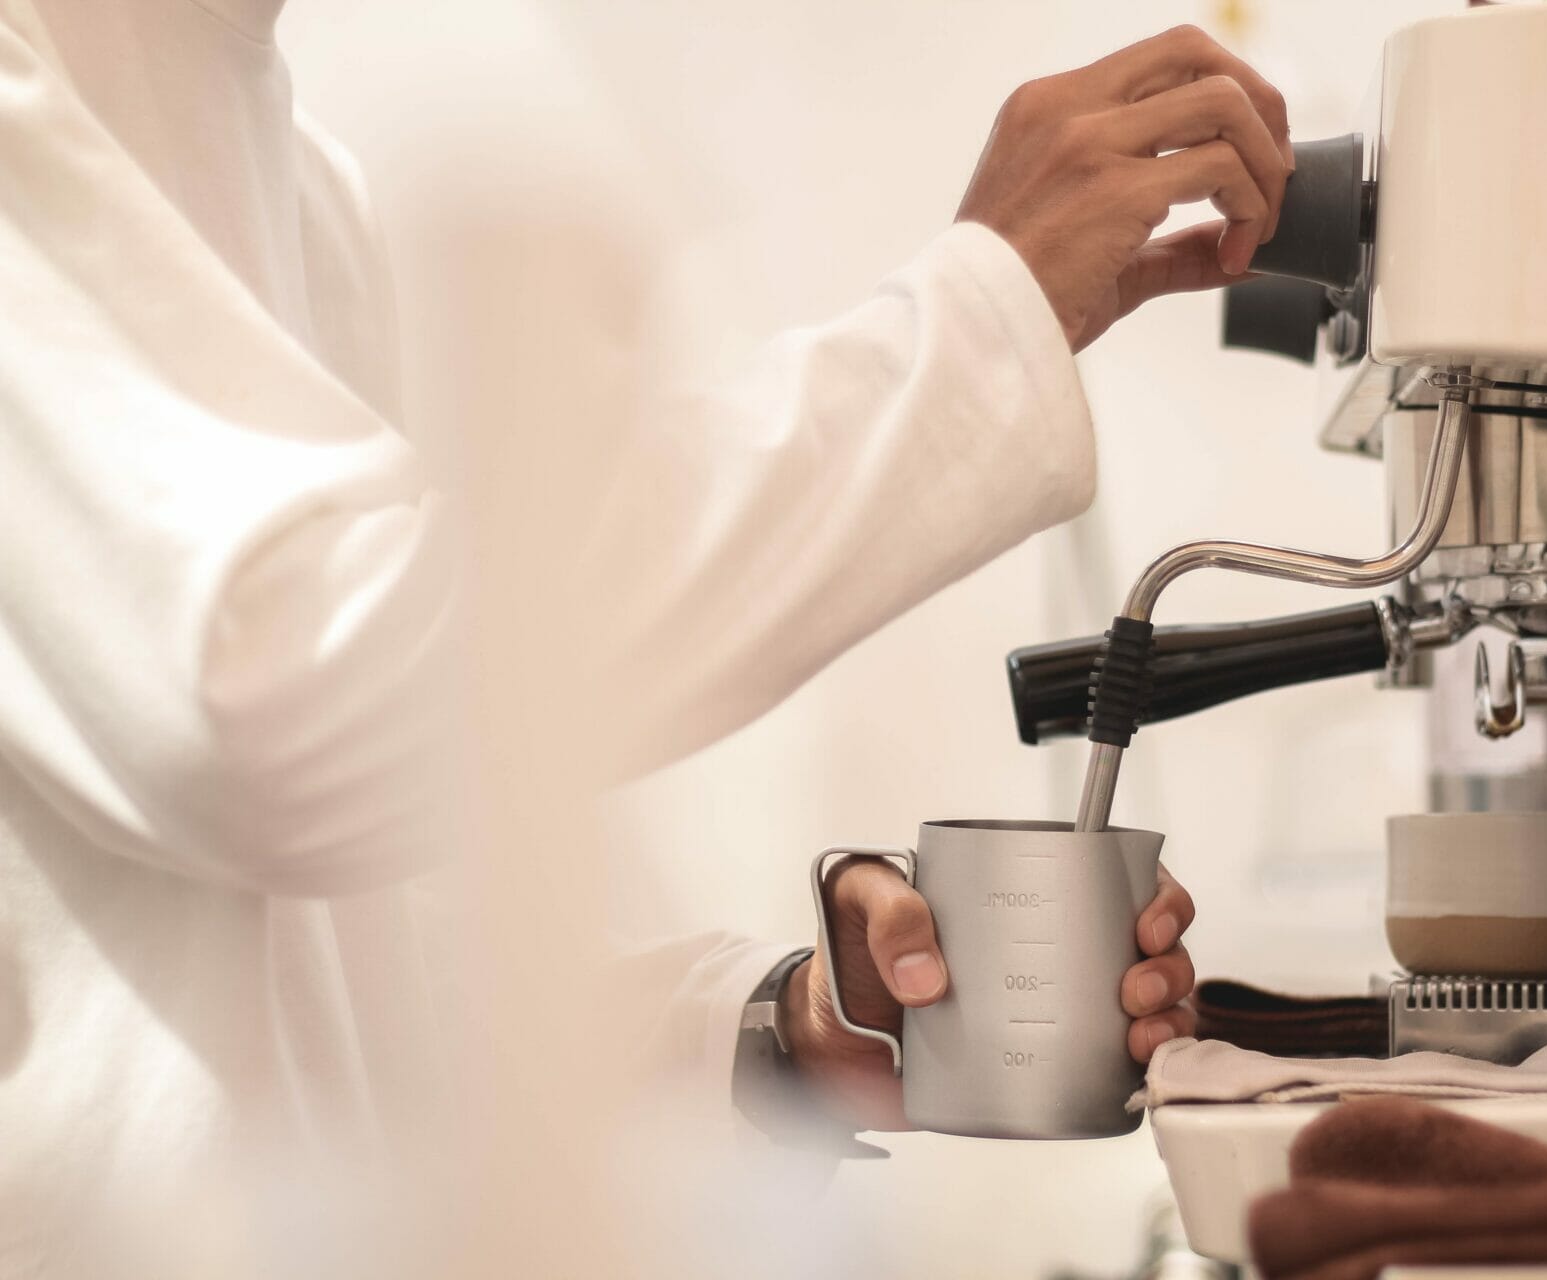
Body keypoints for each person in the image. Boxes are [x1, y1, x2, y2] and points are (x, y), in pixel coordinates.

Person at [0, 0, 1292, 1267]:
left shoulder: (298, 180)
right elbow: (273, 709)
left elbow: (367, 975)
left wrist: (771, 1026)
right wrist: (977, 323)